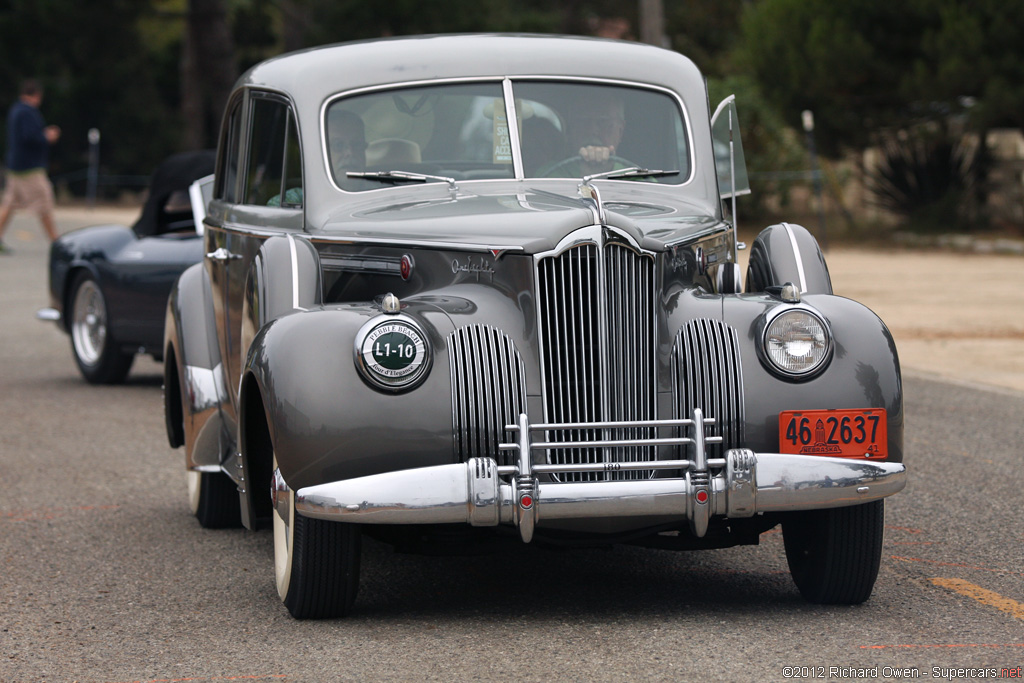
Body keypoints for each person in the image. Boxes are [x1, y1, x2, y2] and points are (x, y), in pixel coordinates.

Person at [0, 79, 61, 251]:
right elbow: (29, 137)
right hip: (29, 168)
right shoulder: (27, 112)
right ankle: (56, 242)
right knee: (45, 201)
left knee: (9, 204)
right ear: (36, 95)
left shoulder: (15, 109)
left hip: (15, 166)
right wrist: (47, 136)